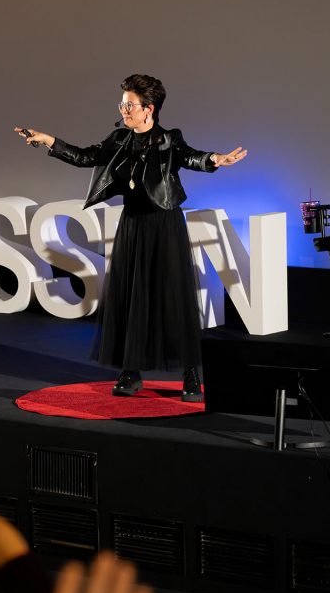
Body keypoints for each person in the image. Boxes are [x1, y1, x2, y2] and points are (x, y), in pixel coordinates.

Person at [15, 74, 247, 401]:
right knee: (131, 295)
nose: (124, 109)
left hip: (164, 223)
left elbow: (190, 156)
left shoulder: (168, 139)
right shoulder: (118, 139)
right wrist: (49, 140)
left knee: (172, 296)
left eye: (130, 105)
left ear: (148, 109)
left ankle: (192, 373)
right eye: (122, 104)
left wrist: (215, 160)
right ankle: (131, 371)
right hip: (133, 224)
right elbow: (85, 156)